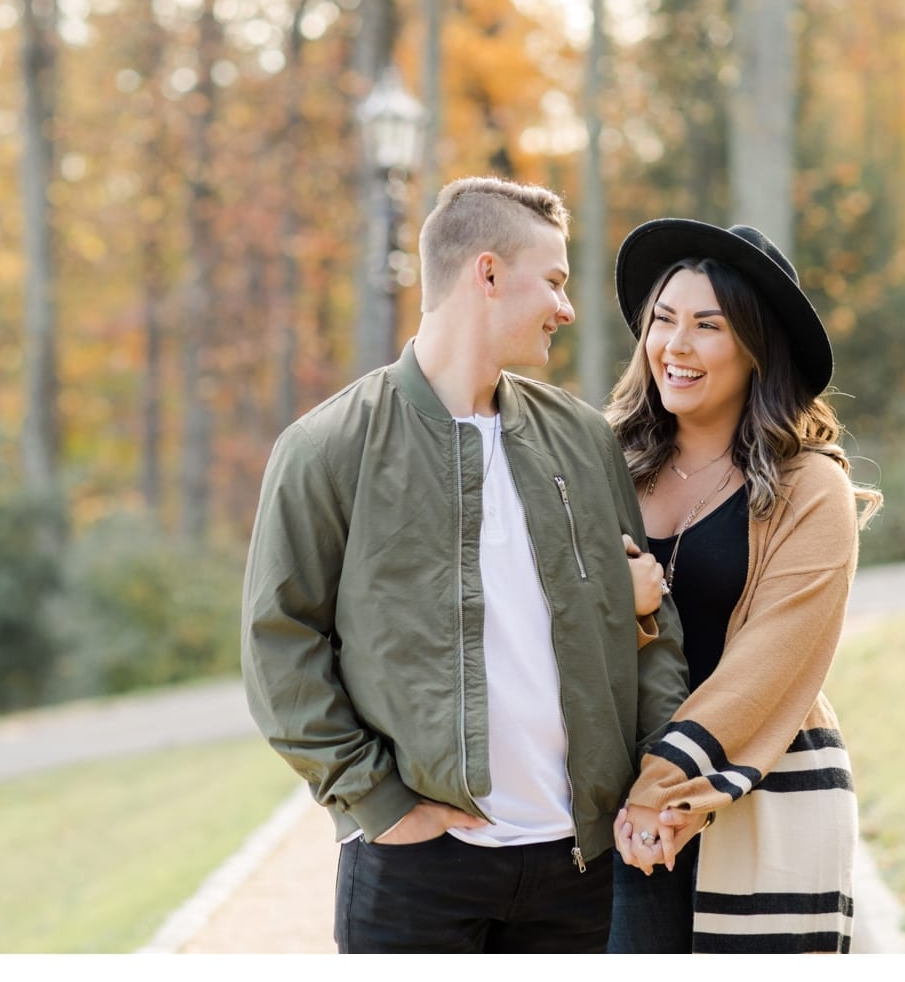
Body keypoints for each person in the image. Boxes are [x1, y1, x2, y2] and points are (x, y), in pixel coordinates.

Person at [241, 177, 690, 954]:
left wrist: (653, 778)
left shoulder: (582, 441)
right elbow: (280, 643)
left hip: (575, 866)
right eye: (552, 281)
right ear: (486, 274)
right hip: (415, 873)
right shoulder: (328, 449)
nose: (567, 307)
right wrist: (377, 803)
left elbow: (653, 631)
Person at [602, 218, 882, 954]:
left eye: (708, 326)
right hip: (619, 808)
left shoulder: (810, 489)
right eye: (663, 321)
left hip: (760, 794)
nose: (676, 346)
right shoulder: (602, 466)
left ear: (758, 349)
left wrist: (661, 789)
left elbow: (771, 660)